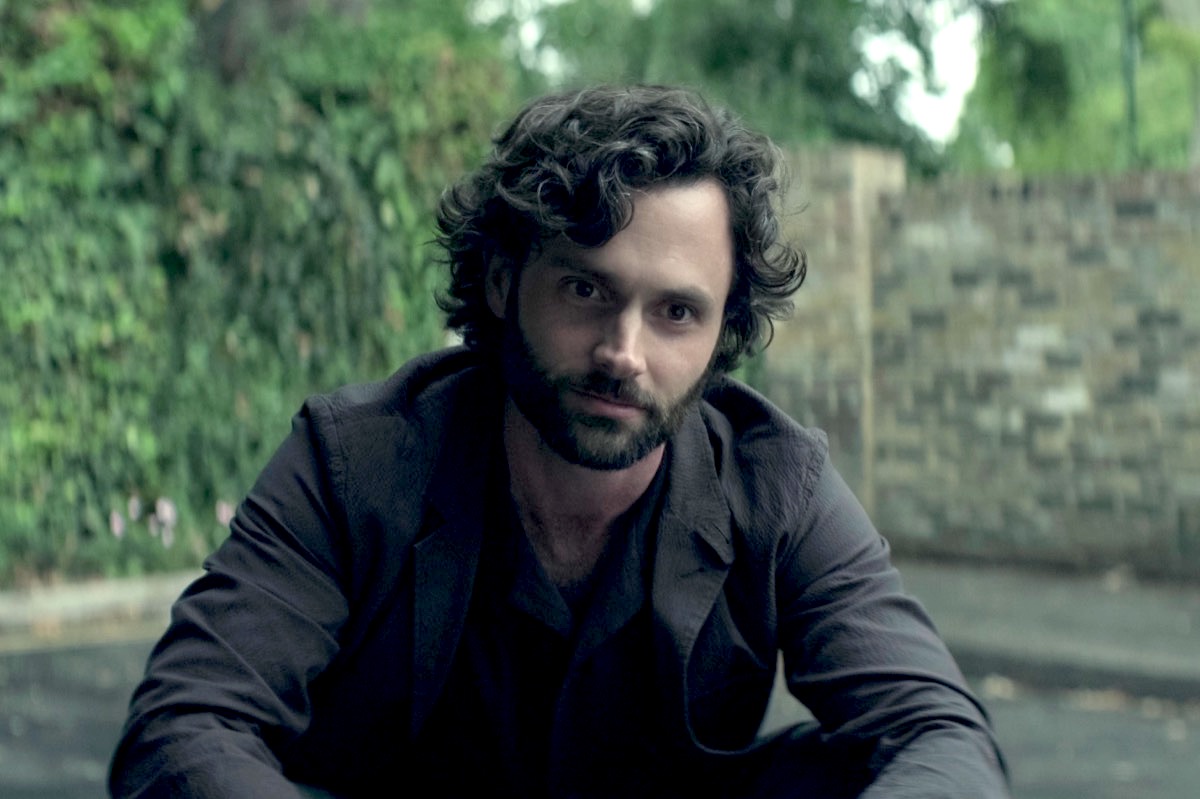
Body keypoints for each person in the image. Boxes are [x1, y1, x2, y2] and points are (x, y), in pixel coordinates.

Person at [110, 84, 1009, 798]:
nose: (625, 352)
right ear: (504, 282)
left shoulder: (777, 483)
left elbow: (939, 731)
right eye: (587, 291)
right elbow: (183, 725)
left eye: (676, 313)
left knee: (855, 768)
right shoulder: (358, 460)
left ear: (720, 332)